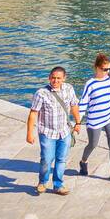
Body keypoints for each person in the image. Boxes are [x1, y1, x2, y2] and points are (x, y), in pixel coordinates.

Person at [26, 67, 80, 195]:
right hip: (47, 132)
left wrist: (78, 122)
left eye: (58, 78)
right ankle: (43, 182)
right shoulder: (41, 93)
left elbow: (74, 105)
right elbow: (33, 113)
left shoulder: (69, 89)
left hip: (65, 131)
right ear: (49, 77)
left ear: (64, 79)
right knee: (47, 158)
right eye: (53, 78)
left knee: (61, 159)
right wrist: (29, 133)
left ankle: (58, 184)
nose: (55, 80)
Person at [78, 53, 110, 183]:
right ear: (97, 68)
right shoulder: (90, 84)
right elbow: (83, 103)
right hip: (94, 120)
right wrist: (78, 122)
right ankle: (83, 161)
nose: (107, 71)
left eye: (109, 69)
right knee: (92, 144)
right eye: (105, 69)